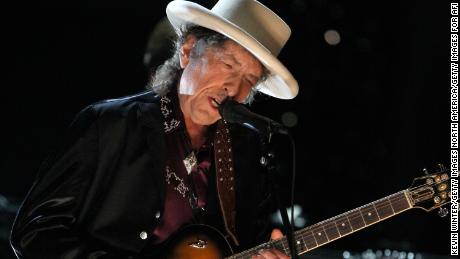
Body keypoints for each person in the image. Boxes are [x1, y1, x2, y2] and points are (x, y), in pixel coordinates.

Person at [10, 0, 298, 258]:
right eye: (228, 64)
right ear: (187, 50)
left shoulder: (246, 149)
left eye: (250, 79)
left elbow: (242, 245)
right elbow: (35, 232)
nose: (235, 89)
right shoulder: (109, 124)